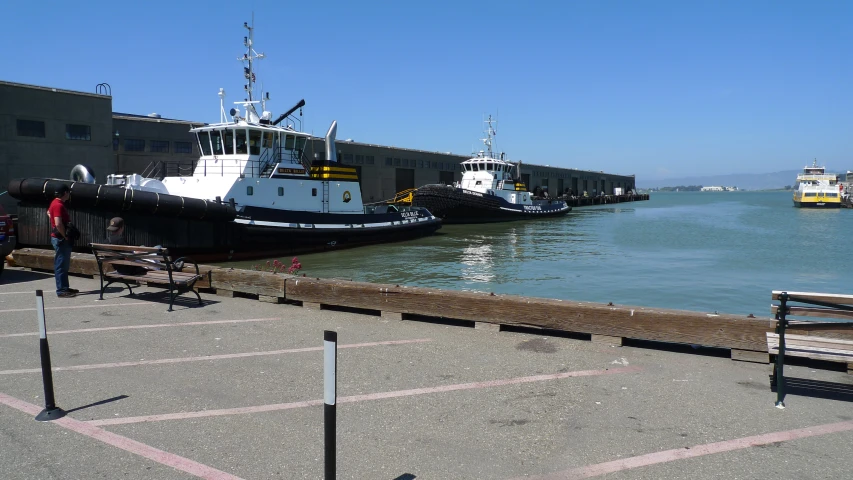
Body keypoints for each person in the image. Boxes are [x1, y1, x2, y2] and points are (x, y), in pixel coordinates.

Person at [48, 184, 77, 297]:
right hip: (61, 239)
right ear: (65, 193)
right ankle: (61, 290)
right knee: (61, 264)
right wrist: (64, 235)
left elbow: (49, 213)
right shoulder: (58, 205)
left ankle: (65, 287)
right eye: (69, 192)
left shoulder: (55, 203)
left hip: (58, 238)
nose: (69, 195)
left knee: (64, 264)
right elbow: (59, 223)